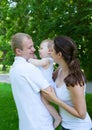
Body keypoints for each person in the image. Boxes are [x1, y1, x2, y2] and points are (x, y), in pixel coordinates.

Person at [42, 36, 92, 130]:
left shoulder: (75, 80)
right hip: (65, 126)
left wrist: (55, 100)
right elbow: (46, 78)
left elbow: (82, 114)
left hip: (79, 128)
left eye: (51, 50)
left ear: (59, 54)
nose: (49, 52)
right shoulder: (60, 70)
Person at [9, 32, 55, 130]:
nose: (34, 49)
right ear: (18, 51)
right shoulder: (29, 68)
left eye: (33, 46)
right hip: (40, 124)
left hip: (26, 124)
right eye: (30, 47)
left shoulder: (13, 69)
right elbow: (50, 94)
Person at [28, 39, 61, 128]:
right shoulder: (45, 60)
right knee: (45, 103)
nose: (39, 50)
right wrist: (34, 59)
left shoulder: (48, 60)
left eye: (42, 48)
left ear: (50, 51)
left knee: (45, 103)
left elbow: (38, 63)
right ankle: (56, 117)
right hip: (46, 86)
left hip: (48, 87)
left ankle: (57, 118)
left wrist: (30, 60)